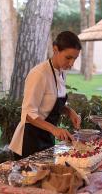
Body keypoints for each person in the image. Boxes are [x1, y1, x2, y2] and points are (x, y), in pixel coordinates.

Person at [9, 31, 82, 159]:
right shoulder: (39, 74)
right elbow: (28, 114)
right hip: (29, 140)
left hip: (47, 137)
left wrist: (69, 111)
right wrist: (55, 129)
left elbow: (51, 102)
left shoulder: (61, 72)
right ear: (55, 50)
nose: (71, 64)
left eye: (74, 58)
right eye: (68, 57)